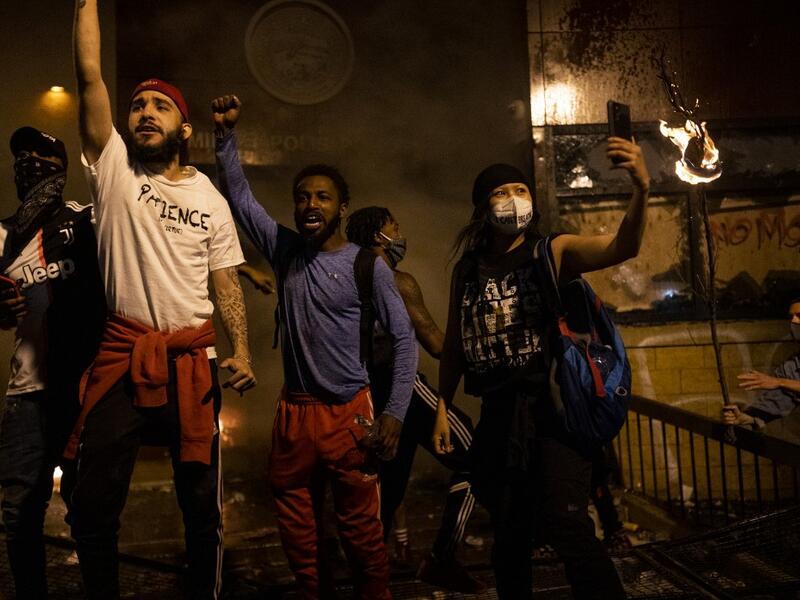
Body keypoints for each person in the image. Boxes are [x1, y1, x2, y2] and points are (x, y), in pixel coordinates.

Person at [71, 2, 256, 598]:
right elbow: (90, 75)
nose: (144, 112)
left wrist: (243, 353)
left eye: (160, 106)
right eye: (137, 105)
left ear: (182, 127)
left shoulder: (212, 199)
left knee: (201, 507)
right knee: (93, 505)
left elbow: (226, 283)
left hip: (191, 364)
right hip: (121, 357)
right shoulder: (115, 170)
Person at [213, 94, 417, 600]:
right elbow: (241, 199)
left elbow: (406, 339)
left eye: (323, 197)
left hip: (350, 414)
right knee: (299, 536)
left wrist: (393, 414)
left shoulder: (366, 267)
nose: (310, 206)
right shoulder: (285, 253)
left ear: (342, 207)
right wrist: (224, 138)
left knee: (362, 536)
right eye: (303, 197)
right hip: (295, 415)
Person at [433, 138, 650, 599]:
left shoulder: (551, 252)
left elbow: (621, 247)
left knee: (566, 523)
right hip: (497, 413)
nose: (514, 199)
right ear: (481, 207)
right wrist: (441, 407)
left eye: (521, 189)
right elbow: (455, 342)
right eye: (500, 192)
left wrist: (642, 188)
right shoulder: (467, 270)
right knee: (509, 537)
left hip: (551, 413)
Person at [345, 206, 484, 594]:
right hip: (401, 387)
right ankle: (442, 557)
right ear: (378, 237)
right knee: (474, 457)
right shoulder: (397, 280)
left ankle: (367, 581)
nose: (401, 233)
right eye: (395, 226)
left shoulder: (346, 279)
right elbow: (437, 344)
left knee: (387, 490)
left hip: (369, 398)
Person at [0, 127, 105, 599]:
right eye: (21, 156)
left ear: (60, 169)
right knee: (19, 511)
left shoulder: (89, 221)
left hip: (83, 388)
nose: (29, 163)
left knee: (89, 509)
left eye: (40, 156)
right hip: (26, 395)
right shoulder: (1, 235)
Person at [723, 296, 800, 429]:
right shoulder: (793, 365)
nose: (793, 321)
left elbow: (782, 384)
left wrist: (779, 382)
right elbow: (779, 398)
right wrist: (748, 417)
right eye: (791, 317)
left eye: (799, 315)